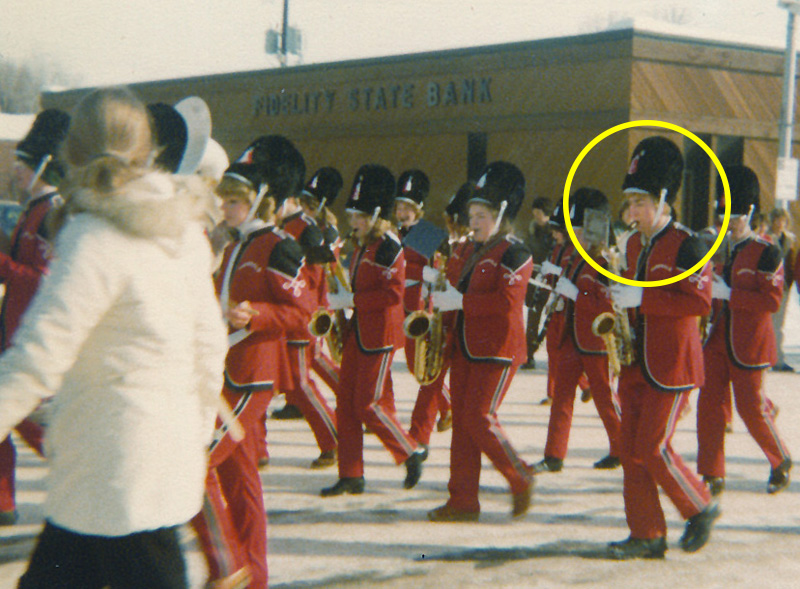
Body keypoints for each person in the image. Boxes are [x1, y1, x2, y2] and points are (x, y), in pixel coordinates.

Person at [0, 86, 228, 588]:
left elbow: (39, 355)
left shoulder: (93, 237)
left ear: (72, 154)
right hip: (156, 459)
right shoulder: (184, 231)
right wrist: (194, 430)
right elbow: (209, 346)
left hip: (108, 465)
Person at [190, 136, 313, 589]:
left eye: (235, 201)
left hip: (253, 377)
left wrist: (258, 315)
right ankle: (254, 577)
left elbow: (304, 313)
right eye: (224, 199)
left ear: (260, 201)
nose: (225, 208)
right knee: (240, 482)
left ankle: (229, 568)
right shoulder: (231, 242)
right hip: (223, 372)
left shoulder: (279, 247)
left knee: (194, 463)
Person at [607, 136, 719, 560]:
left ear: (662, 200)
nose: (631, 213)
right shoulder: (633, 244)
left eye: (639, 203)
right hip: (636, 361)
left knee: (653, 447)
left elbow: (700, 301)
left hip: (672, 365)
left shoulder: (689, 243)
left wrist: (644, 300)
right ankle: (647, 534)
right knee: (632, 453)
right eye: (629, 204)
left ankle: (699, 505)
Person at [426, 161, 535, 522]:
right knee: (462, 422)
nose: (472, 221)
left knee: (479, 418)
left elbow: (507, 303)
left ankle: (519, 474)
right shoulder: (470, 250)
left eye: (481, 215)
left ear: (501, 215)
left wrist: (461, 302)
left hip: (498, 349)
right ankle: (462, 499)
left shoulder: (515, 253)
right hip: (464, 346)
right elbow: (453, 287)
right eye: (472, 213)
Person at [321, 164, 426, 497]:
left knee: (367, 404)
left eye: (360, 216)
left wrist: (353, 298)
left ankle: (409, 450)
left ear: (377, 215)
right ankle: (351, 473)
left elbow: (393, 294)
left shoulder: (388, 245)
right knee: (345, 403)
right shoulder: (364, 242)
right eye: (352, 215)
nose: (354, 222)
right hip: (358, 330)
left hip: (379, 335)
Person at [697, 166, 792, 497]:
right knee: (708, 405)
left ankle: (780, 459)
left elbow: (772, 300)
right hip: (718, 337)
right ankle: (712, 472)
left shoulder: (768, 251)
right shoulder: (718, 245)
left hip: (750, 342)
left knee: (749, 409)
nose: (730, 223)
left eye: (735, 216)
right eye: (725, 216)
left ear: (750, 213)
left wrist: (729, 294)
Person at [0, 108, 70, 526]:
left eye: (22, 166)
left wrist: (4, 267)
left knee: (31, 423)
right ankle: (3, 501)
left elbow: (47, 278)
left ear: (43, 165)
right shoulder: (31, 209)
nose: (16, 173)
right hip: (13, 327)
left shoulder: (52, 211)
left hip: (33, 333)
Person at [532, 188, 622, 474]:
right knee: (561, 396)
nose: (576, 235)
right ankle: (554, 454)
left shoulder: (606, 262)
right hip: (571, 335)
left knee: (606, 398)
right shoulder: (574, 256)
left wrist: (575, 295)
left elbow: (606, 304)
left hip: (595, 340)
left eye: (580, 229)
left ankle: (623, 448)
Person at [276, 170, 339, 469]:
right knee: (295, 380)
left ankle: (333, 438)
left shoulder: (306, 229)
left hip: (300, 313)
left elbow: (313, 279)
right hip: (287, 312)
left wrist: (311, 312)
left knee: (300, 384)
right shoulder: (288, 226)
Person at [395, 169, 452, 457]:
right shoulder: (392, 233)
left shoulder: (428, 233)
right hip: (400, 306)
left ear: (417, 209)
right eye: (399, 207)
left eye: (407, 207)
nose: (402, 212)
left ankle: (426, 425)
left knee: (425, 367)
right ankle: (447, 406)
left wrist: (421, 273)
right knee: (412, 363)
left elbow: (440, 269)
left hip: (421, 307)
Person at [522, 196, 555, 369]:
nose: (536, 216)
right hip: (534, 276)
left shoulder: (554, 233)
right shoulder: (532, 229)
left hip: (549, 277)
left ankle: (535, 348)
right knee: (533, 314)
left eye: (539, 213)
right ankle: (529, 352)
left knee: (548, 316)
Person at [765, 207, 796, 372]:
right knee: (768, 322)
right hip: (769, 285)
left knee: (779, 323)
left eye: (782, 220)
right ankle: (767, 357)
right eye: (777, 219)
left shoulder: (790, 239)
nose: (780, 223)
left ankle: (778, 358)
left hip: (783, 286)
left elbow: (791, 262)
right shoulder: (767, 238)